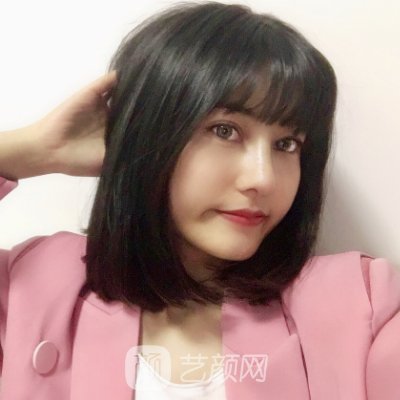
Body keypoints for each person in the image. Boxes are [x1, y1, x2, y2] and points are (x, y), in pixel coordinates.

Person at [1, 2, 399, 399]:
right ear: (151, 133)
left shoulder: (363, 304)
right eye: (225, 130)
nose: (263, 178)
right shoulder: (29, 286)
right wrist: (31, 151)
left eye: (286, 144)